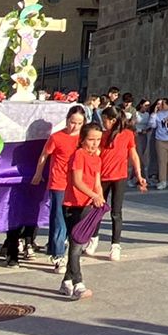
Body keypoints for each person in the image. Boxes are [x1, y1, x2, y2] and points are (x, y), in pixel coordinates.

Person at [32, 103, 88, 272]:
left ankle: (68, 249)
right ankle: (58, 255)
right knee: (58, 219)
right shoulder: (57, 137)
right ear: (66, 120)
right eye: (72, 122)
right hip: (59, 182)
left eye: (79, 123)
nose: (75, 126)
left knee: (73, 219)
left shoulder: (84, 139)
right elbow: (44, 155)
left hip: (77, 184)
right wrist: (38, 173)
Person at [61, 123, 103, 301]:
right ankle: (78, 283)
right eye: (91, 140)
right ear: (82, 140)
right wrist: (94, 195)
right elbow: (77, 181)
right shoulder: (79, 155)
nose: (94, 144)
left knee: (79, 243)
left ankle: (66, 281)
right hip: (73, 204)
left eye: (98, 140)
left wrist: (99, 196)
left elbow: (97, 181)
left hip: (88, 204)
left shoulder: (97, 158)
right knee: (76, 243)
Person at [98, 109, 147, 257]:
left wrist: (139, 175)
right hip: (102, 176)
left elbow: (133, 155)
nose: (103, 122)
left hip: (119, 176)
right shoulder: (101, 135)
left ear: (112, 120)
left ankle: (115, 245)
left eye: (104, 119)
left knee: (116, 212)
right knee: (98, 209)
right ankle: (93, 238)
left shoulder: (127, 134)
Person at [135, 99, 158, 186]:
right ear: (141, 105)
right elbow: (132, 124)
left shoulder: (147, 114)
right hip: (136, 135)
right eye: (145, 105)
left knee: (142, 155)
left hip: (143, 136)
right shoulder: (136, 113)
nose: (147, 107)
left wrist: (146, 130)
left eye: (148, 105)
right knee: (139, 156)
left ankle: (136, 177)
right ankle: (142, 176)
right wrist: (138, 130)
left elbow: (150, 125)